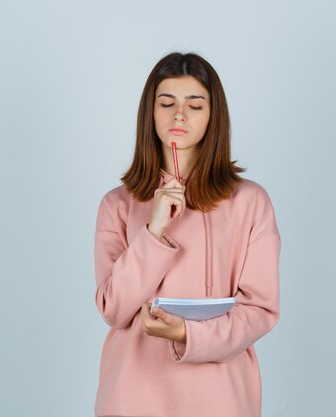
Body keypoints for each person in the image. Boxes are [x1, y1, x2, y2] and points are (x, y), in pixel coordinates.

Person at [94, 52, 281, 417]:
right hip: (132, 397)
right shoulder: (116, 204)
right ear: (150, 112)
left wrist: (188, 335)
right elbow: (113, 309)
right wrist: (154, 229)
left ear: (214, 116)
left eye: (195, 105)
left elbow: (260, 310)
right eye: (167, 103)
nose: (179, 115)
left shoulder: (251, 202)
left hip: (221, 398)